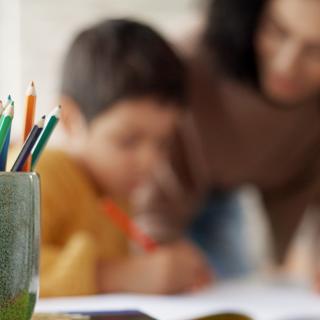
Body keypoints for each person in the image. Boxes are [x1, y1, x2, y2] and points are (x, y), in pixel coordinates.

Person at [134, 0, 320, 280]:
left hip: (232, 200)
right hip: (159, 197)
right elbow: (148, 203)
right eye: (278, 31)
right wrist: (157, 254)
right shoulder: (185, 64)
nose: (286, 64)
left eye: (316, 50)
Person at [37, 18, 212, 297]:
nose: (150, 162)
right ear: (70, 119)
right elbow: (7, 269)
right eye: (128, 141)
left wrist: (160, 268)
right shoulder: (42, 172)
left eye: (163, 143)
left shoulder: (114, 191)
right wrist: (116, 275)